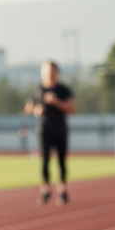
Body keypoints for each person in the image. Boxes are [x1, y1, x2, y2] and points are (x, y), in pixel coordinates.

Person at [25, 60, 76, 204]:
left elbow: (73, 109)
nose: (49, 74)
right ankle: (46, 190)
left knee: (61, 162)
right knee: (45, 161)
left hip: (60, 129)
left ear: (57, 73)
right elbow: (28, 108)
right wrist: (36, 110)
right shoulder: (38, 90)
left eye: (52, 71)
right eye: (46, 71)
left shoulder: (63, 90)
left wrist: (56, 102)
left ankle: (62, 190)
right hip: (44, 130)